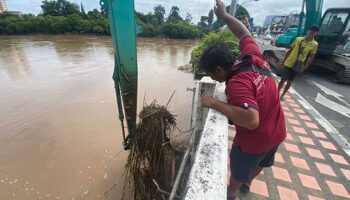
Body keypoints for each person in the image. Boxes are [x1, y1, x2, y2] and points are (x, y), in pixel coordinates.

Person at [199, 0, 286, 199]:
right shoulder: (252, 56)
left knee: (238, 169)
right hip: (278, 131)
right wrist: (225, 16)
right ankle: (248, 183)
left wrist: (214, 103)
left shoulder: (237, 84)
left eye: (211, 74)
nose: (212, 78)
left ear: (219, 70)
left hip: (255, 142)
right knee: (263, 163)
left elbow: (251, 119)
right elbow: (244, 33)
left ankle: (231, 192)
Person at [278, 25, 319, 100]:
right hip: (289, 62)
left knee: (290, 81)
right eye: (311, 30)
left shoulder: (315, 44)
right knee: (283, 80)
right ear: (308, 31)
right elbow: (290, 50)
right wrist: (284, 61)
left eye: (314, 31)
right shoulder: (298, 39)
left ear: (316, 33)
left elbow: (311, 57)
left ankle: (282, 95)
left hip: (298, 64)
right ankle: (276, 93)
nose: (312, 32)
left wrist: (305, 67)